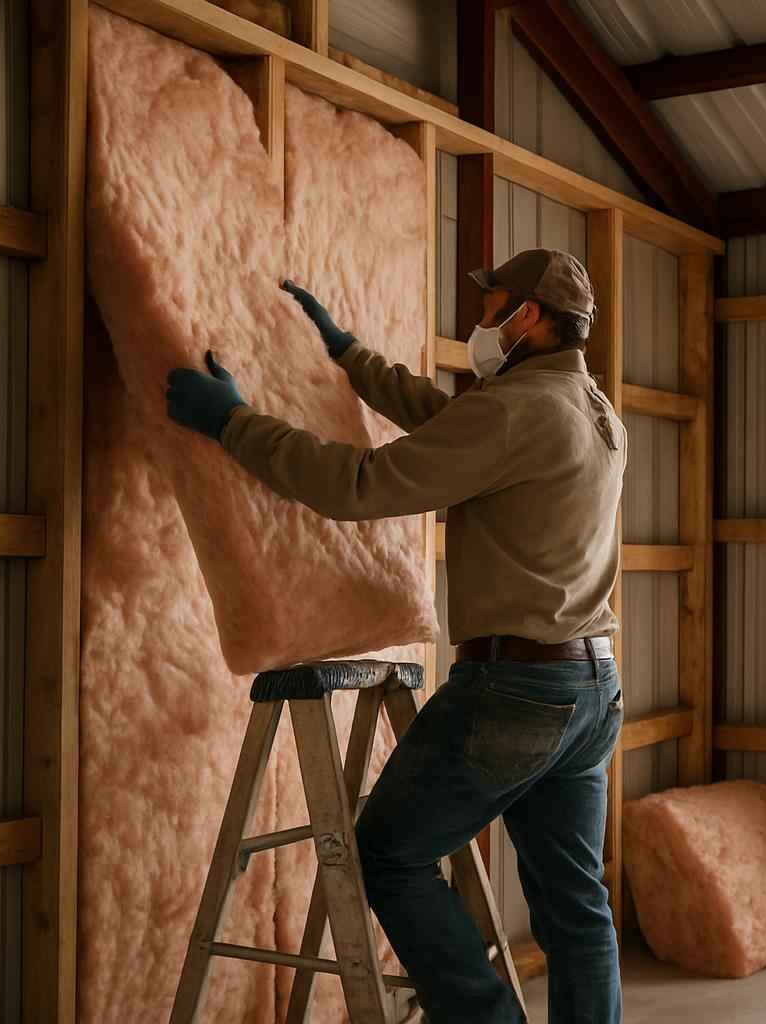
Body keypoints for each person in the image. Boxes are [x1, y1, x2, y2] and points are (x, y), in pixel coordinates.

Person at [164, 249, 627, 1024]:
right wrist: (349, 356)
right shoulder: (591, 409)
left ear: (532, 318)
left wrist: (234, 424)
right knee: (578, 910)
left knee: (387, 854)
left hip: (514, 691)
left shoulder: (517, 411)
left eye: (494, 306)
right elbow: (453, 425)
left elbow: (360, 486)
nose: (479, 322)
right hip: (590, 691)